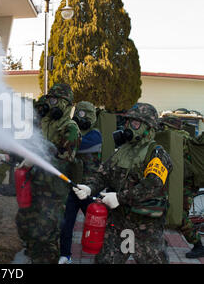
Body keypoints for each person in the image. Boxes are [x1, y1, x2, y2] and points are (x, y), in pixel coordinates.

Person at [0, 83, 81, 264]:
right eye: (49, 99)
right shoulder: (42, 125)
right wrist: (7, 156)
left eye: (55, 100)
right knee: (26, 228)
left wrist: (39, 157)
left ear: (66, 104)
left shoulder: (70, 128)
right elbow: (27, 150)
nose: (51, 104)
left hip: (53, 193)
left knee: (46, 238)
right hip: (33, 188)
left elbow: (65, 158)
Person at [74, 103, 173, 264]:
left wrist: (119, 198)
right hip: (118, 222)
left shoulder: (156, 154)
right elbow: (103, 174)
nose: (128, 127)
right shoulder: (122, 151)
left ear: (148, 127)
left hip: (145, 226)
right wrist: (90, 187)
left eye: (134, 123)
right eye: (127, 122)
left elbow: (152, 186)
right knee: (105, 260)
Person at [59, 101, 102, 264]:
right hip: (72, 187)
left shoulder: (95, 135)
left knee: (97, 222)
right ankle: (65, 255)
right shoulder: (73, 132)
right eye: (78, 114)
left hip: (89, 189)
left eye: (84, 115)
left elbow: (77, 146)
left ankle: (104, 252)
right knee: (66, 224)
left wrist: (65, 140)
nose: (79, 118)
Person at [158, 116, 204, 258]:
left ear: (169, 127)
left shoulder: (179, 140)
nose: (161, 129)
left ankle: (198, 245)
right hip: (178, 183)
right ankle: (158, 240)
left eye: (163, 127)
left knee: (179, 215)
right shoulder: (179, 138)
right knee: (161, 209)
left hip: (186, 185)